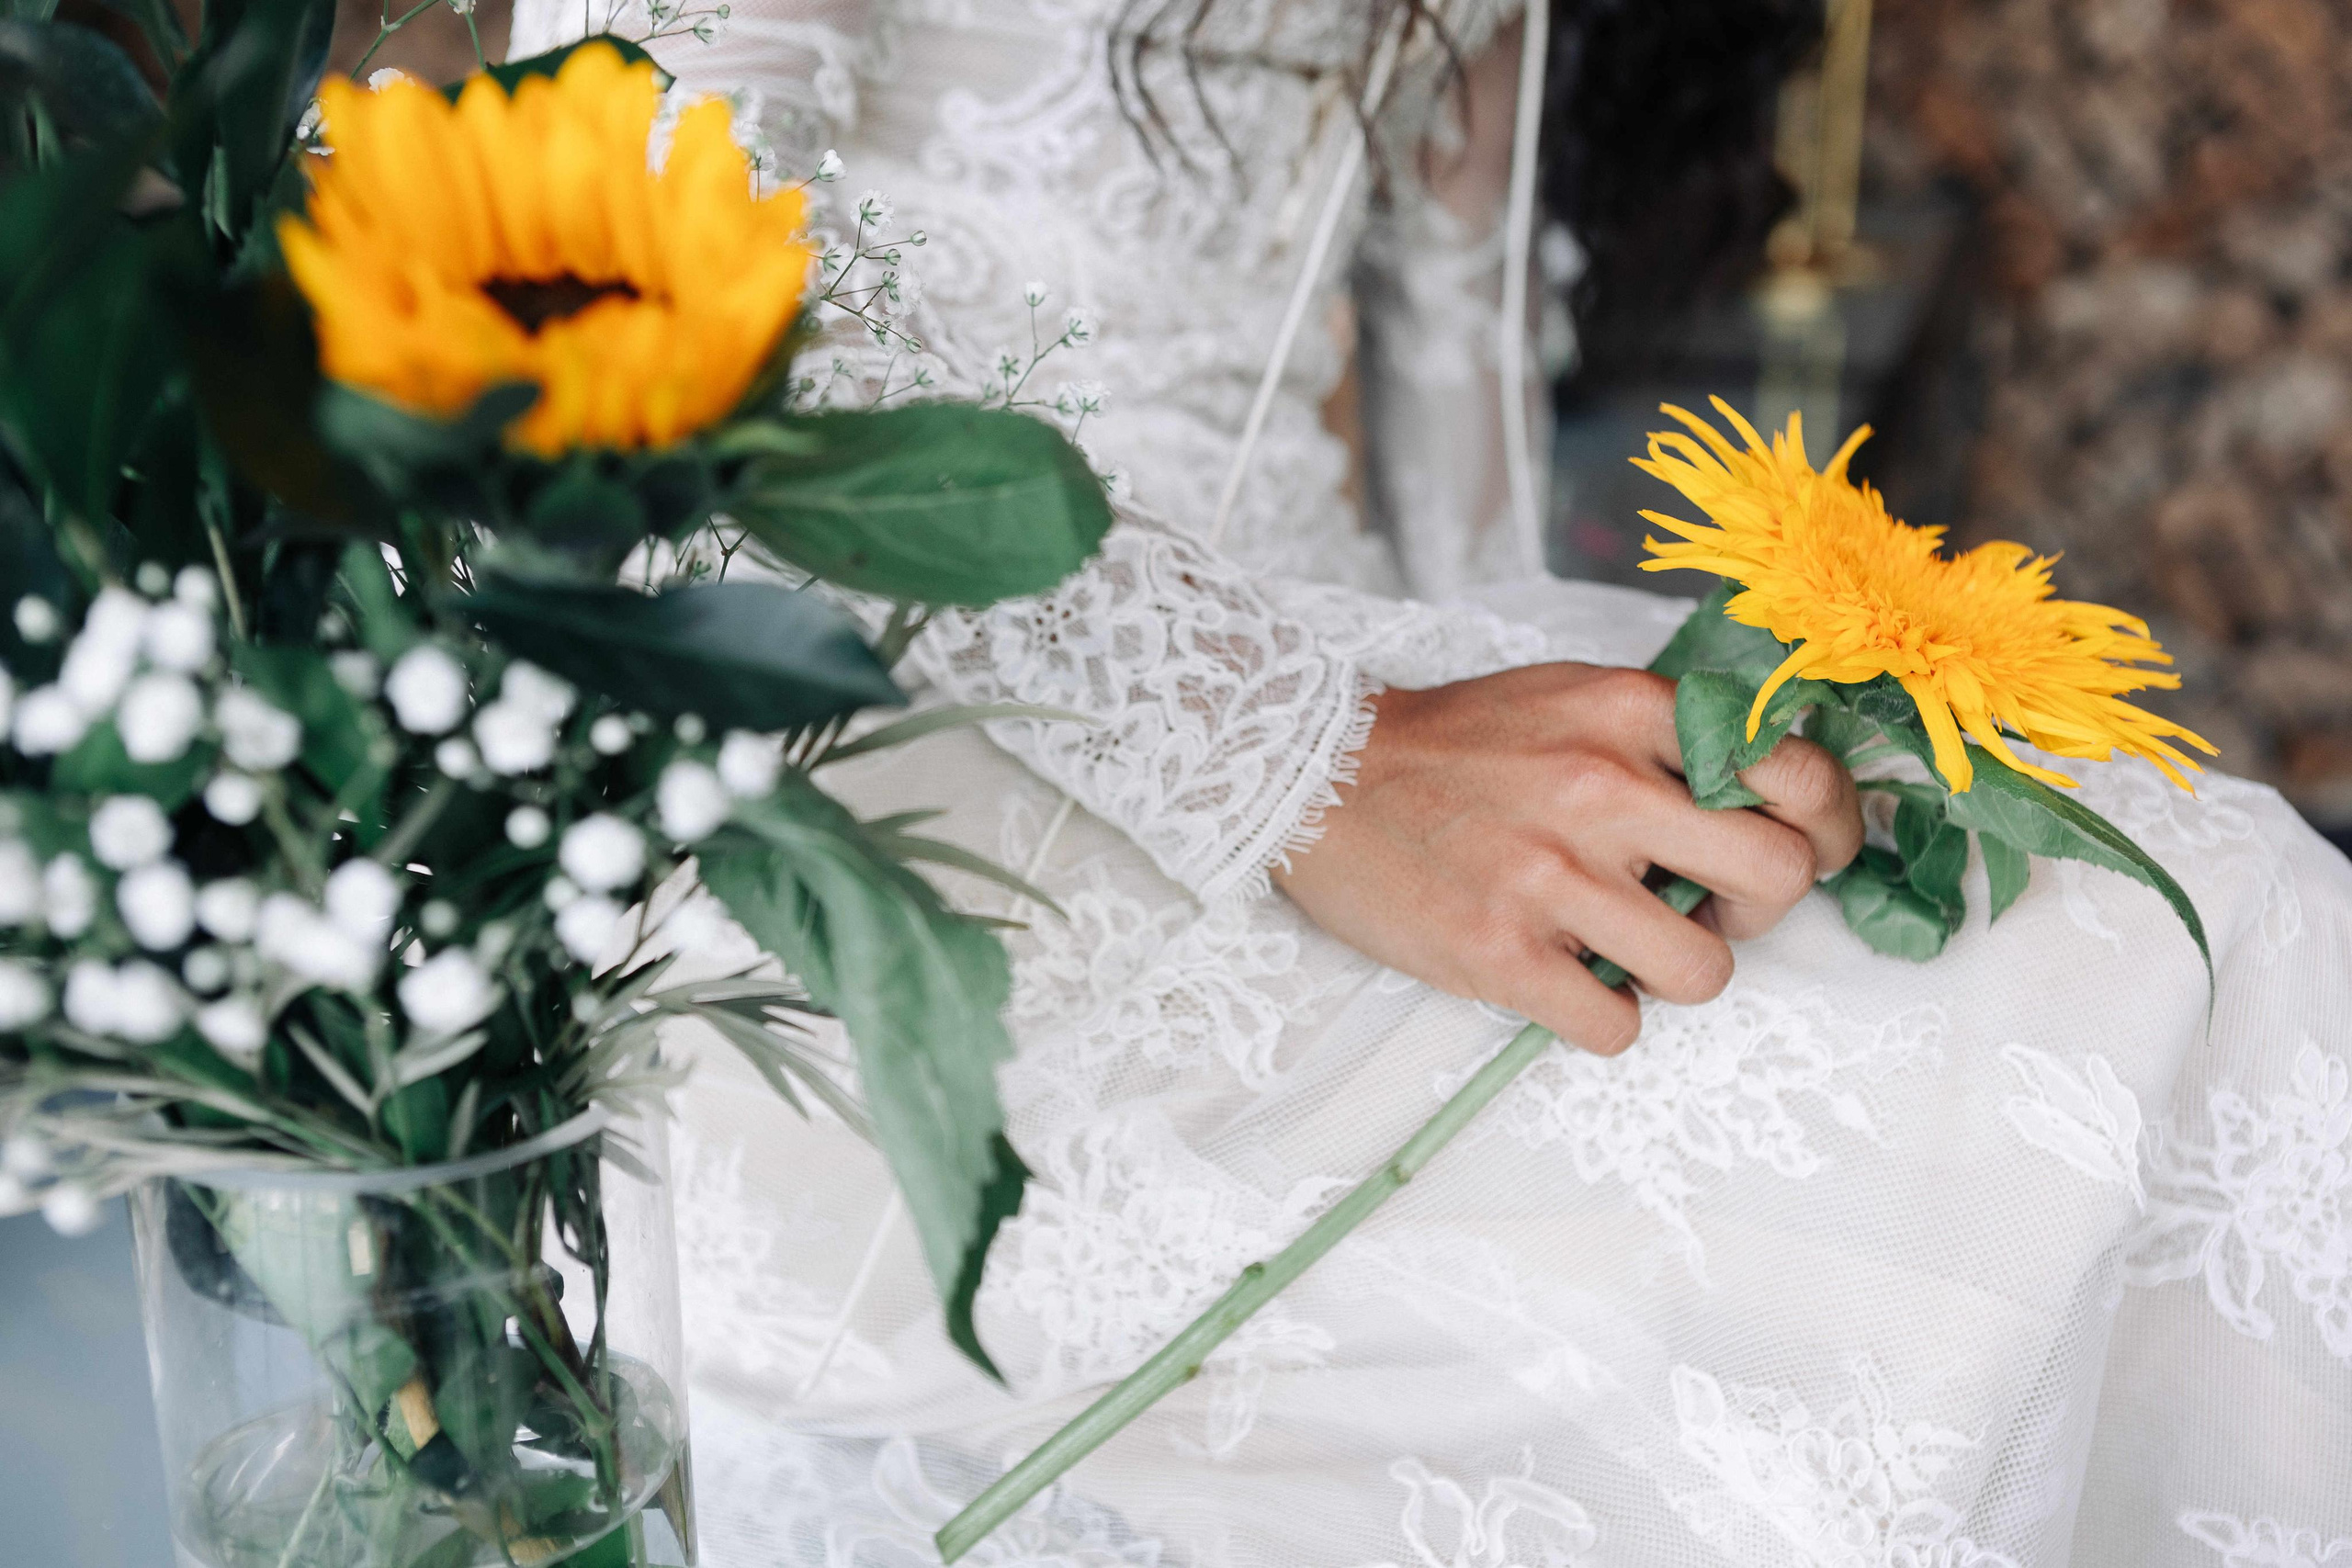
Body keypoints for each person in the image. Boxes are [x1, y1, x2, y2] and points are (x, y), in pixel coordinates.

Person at [505, 2, 2352, 1562]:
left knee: (2159, 924)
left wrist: (1594, 738)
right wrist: (1309, 768)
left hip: (1349, 662)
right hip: (868, 711)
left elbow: (1444, 407)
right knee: (2181, 957)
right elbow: (646, 234)